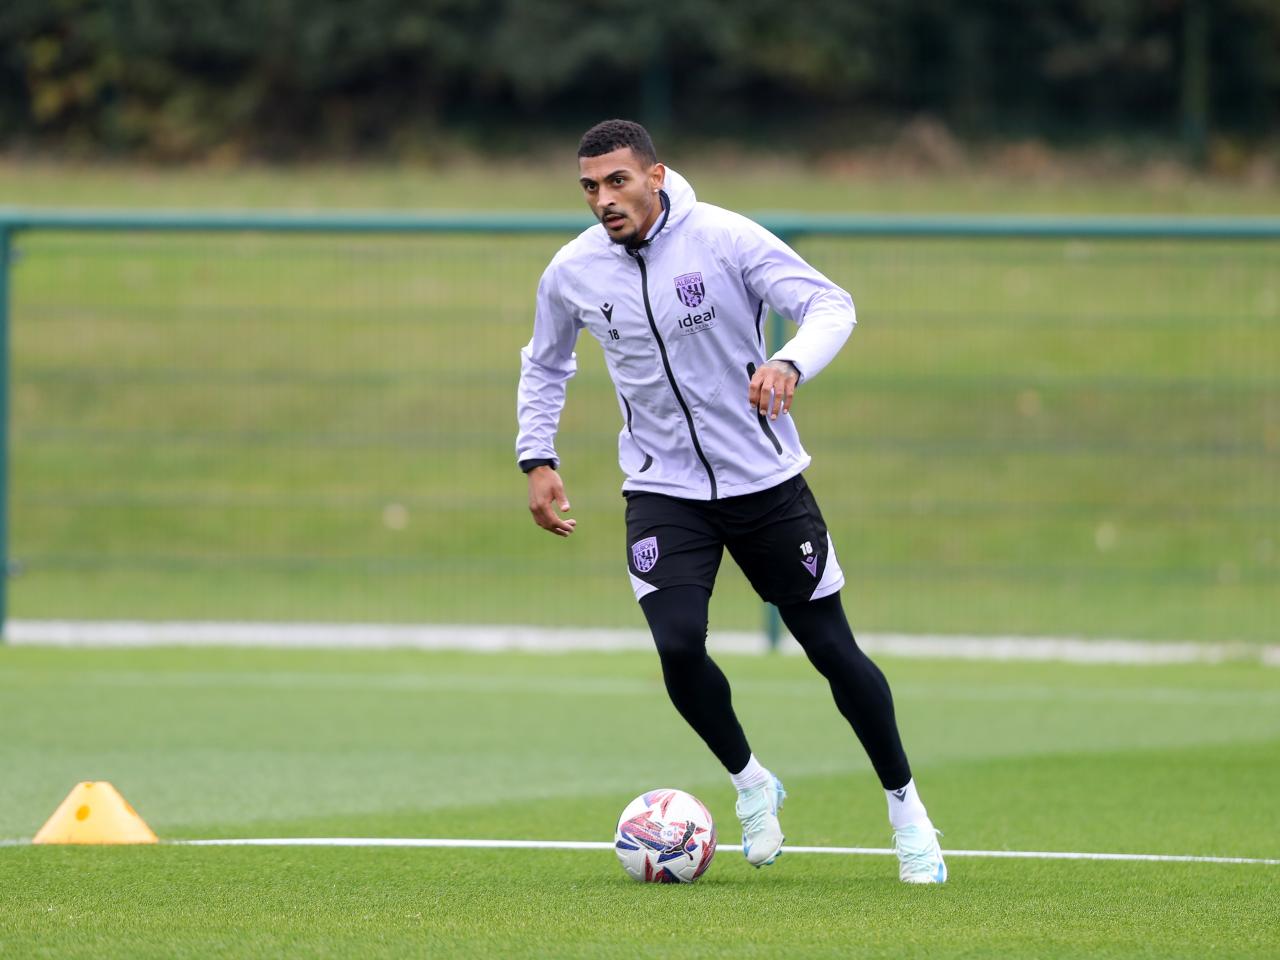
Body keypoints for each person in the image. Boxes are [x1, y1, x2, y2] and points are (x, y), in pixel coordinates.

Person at [515, 119, 947, 884]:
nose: (603, 200)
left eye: (617, 181)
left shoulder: (724, 239)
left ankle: (907, 811)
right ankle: (751, 783)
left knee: (833, 653)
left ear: (656, 175)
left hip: (765, 485)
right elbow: (545, 365)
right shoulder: (573, 271)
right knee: (678, 646)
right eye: (589, 186)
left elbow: (831, 305)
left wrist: (788, 361)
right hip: (661, 488)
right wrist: (537, 457)